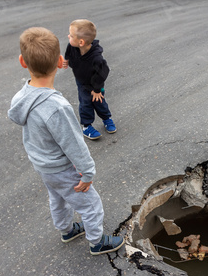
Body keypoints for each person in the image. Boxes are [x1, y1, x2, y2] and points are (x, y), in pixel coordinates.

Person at [8, 27, 124, 255]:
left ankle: (67, 230)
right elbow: (74, 145)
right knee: (91, 205)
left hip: (43, 166)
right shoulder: (57, 108)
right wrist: (88, 172)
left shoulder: (21, 97)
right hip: (62, 168)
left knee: (58, 198)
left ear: (23, 61)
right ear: (60, 60)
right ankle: (97, 241)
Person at [63, 19, 116, 140]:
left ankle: (106, 118)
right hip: (82, 82)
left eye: (71, 36)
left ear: (81, 42)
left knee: (99, 101)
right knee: (85, 103)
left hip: (96, 84)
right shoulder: (73, 46)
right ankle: (87, 126)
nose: (68, 37)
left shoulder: (96, 58)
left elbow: (103, 72)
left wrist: (97, 89)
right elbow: (68, 49)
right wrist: (66, 59)